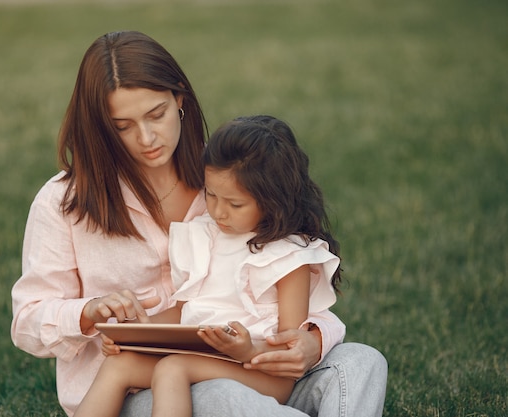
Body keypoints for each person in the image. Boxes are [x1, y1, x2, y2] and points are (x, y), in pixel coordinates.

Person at [10, 30, 388, 417]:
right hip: (140, 391)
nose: (146, 137)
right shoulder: (64, 201)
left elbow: (283, 286)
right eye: (122, 126)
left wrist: (311, 340)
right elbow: (26, 322)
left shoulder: (229, 176)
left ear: (179, 99)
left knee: (361, 362)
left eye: (156, 114)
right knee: (219, 396)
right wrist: (89, 313)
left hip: (251, 365)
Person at [73, 115, 344, 417]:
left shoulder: (289, 257)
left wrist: (248, 351)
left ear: (273, 200)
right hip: (200, 356)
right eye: (211, 195)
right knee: (118, 364)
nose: (217, 211)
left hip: (263, 371)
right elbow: (184, 310)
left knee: (173, 368)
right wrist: (139, 333)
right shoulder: (204, 235)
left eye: (234, 204)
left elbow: (289, 347)